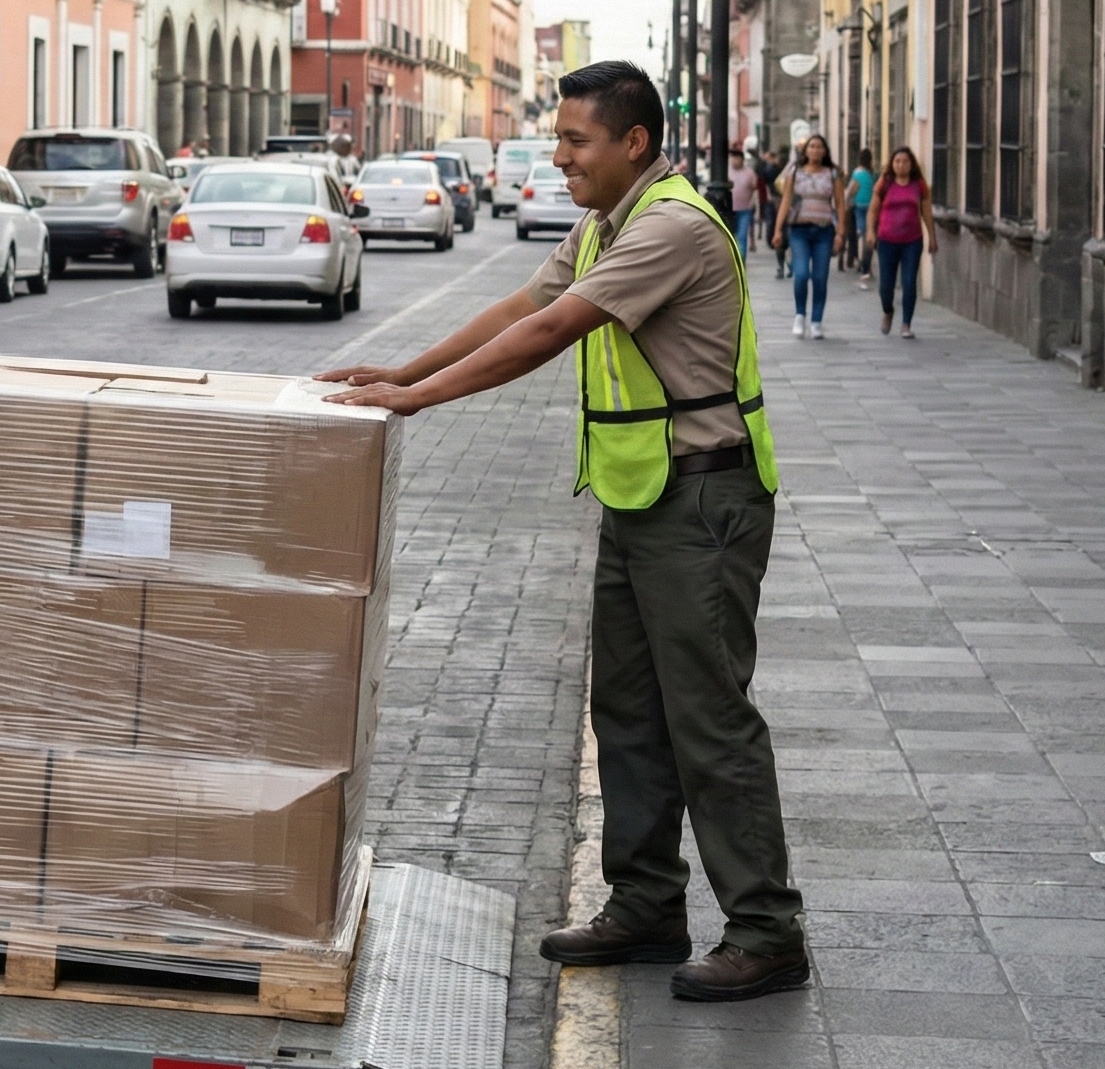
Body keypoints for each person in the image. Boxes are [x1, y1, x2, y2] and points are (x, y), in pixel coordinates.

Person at [319, 59, 806, 1003]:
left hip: (703, 504)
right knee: (624, 709)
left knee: (707, 718)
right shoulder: (603, 224)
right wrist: (400, 366)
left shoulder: (668, 227)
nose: (559, 157)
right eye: (558, 138)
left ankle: (765, 928)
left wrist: (416, 400)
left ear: (633, 142)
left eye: (575, 140)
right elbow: (522, 306)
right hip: (639, 498)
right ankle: (645, 905)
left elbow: (552, 334)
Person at [772, 134, 844, 339]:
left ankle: (816, 321)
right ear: (806, 151)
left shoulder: (833, 174)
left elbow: (840, 204)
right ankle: (800, 315)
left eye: (819, 147)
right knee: (801, 274)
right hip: (799, 230)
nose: (815, 150)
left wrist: (841, 233)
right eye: (811, 147)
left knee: (820, 277)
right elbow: (785, 201)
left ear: (825, 151)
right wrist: (777, 230)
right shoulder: (795, 172)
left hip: (824, 231)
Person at [866, 146, 935, 338]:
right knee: (886, 286)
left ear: (911, 164)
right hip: (887, 240)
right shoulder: (884, 183)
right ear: (892, 163)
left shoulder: (919, 185)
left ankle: (906, 324)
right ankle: (888, 310)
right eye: (897, 161)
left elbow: (927, 213)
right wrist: (871, 232)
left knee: (909, 282)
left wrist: (932, 238)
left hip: (912, 241)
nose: (901, 165)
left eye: (905, 161)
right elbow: (873, 210)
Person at [752, 149, 788, 278]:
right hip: (776, 202)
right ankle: (783, 264)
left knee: (781, 234)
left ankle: (784, 265)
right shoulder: (773, 170)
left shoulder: (791, 171)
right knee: (780, 234)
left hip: (783, 205)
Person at [847, 150, 876, 283]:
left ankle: (863, 264)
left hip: (859, 206)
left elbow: (852, 189)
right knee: (868, 235)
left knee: (863, 234)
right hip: (871, 206)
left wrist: (846, 202)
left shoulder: (857, 173)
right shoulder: (871, 173)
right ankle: (866, 265)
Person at [727, 147, 758, 258]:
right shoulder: (727, 172)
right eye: (732, 158)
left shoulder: (749, 173)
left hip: (745, 209)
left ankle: (741, 260)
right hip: (730, 210)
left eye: (737, 158)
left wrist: (753, 204)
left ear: (742, 159)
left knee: (742, 236)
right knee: (730, 236)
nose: (734, 160)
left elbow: (755, 190)